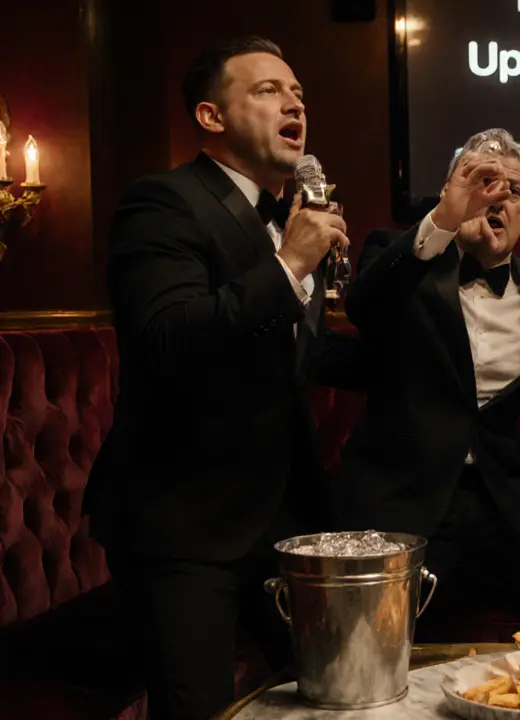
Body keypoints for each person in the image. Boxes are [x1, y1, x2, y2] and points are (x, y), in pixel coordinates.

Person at [83, 36, 351, 720]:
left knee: (339, 696)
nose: (294, 103)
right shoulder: (163, 202)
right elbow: (166, 337)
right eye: (268, 90)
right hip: (183, 520)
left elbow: (295, 357)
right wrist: (290, 266)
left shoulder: (294, 217)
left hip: (283, 515)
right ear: (211, 116)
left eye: (298, 94)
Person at [339, 129, 520, 640]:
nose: (498, 198)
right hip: (405, 503)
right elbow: (365, 308)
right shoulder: (401, 260)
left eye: (514, 190)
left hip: (506, 505)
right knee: (375, 650)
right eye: (483, 183)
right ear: (452, 192)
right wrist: (443, 220)